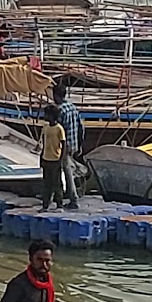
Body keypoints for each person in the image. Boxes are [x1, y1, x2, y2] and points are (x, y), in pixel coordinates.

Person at [55, 80, 84, 209]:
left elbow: (59, 132)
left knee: (65, 170)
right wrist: (80, 144)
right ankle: (65, 195)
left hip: (64, 145)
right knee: (67, 169)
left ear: (56, 95)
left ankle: (73, 198)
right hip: (74, 143)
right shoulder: (72, 107)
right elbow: (80, 127)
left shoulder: (60, 110)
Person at [39, 102, 66, 209]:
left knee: (57, 183)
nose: (44, 117)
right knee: (46, 184)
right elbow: (44, 144)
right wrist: (41, 157)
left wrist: (61, 159)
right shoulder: (45, 128)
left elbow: (63, 144)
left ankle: (59, 204)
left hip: (55, 159)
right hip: (46, 159)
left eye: (46, 115)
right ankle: (45, 204)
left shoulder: (59, 129)